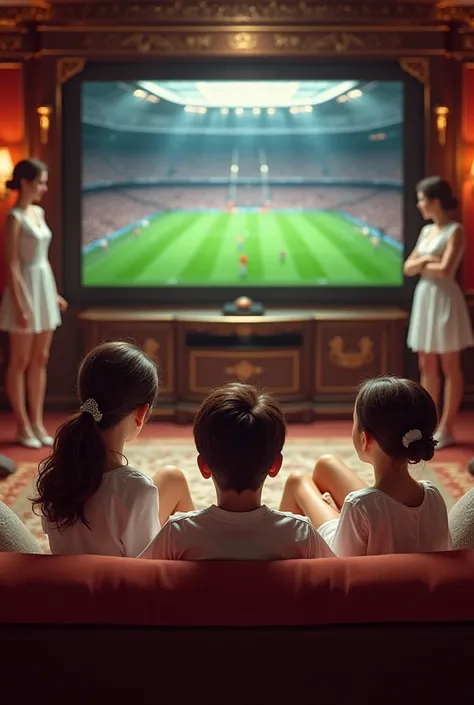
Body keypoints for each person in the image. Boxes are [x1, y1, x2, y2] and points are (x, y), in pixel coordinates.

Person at [32, 341, 194, 557]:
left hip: (70, 582)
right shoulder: (135, 490)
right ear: (141, 413)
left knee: (171, 478)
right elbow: (144, 569)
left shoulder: (52, 477)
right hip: (115, 586)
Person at [140, 382, 334, 561]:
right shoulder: (301, 532)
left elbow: (135, 580)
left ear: (203, 466)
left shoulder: (176, 532)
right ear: (276, 465)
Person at [280, 376, 452, 557]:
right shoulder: (433, 496)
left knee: (297, 480)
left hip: (347, 559)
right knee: (326, 464)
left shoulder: (359, 505)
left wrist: (340, 519)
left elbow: (341, 567)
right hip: (412, 571)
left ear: (365, 440)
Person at [0, 159, 67, 449]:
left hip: (43, 286)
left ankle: (37, 422)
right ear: (25, 182)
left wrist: (53, 295)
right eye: (40, 181)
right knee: (19, 361)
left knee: (41, 359)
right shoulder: (14, 217)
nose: (44, 187)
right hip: (23, 290)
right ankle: (22, 425)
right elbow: (12, 265)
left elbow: (43, 259)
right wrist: (22, 304)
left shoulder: (38, 212)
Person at [404, 176, 473, 450]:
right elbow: (408, 268)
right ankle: (427, 425)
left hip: (444, 299)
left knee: (450, 366)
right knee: (426, 365)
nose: (419, 206)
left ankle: (448, 427)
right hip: (426, 297)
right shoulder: (426, 232)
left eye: (421, 200)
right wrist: (426, 260)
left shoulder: (456, 230)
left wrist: (421, 264)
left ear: (434, 202)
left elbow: (446, 270)